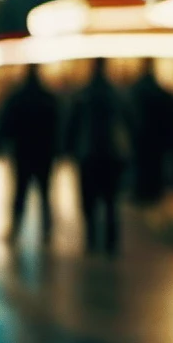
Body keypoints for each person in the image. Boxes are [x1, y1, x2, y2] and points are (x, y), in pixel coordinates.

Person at [65, 58, 131, 254]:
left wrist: (68, 149)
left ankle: (92, 239)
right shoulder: (115, 94)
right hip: (111, 154)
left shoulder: (83, 94)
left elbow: (72, 124)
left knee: (89, 201)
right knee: (111, 201)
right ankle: (111, 242)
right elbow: (129, 122)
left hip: (88, 155)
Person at [0, 63, 59, 245]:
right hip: (44, 153)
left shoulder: (18, 97)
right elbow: (57, 125)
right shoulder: (48, 97)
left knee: (20, 191)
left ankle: (15, 228)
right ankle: (46, 230)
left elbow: (6, 122)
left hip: (22, 152)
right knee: (45, 193)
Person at [129, 59, 173, 204]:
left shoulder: (136, 91)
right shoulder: (159, 91)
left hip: (141, 138)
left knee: (142, 167)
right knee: (155, 168)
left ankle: (143, 192)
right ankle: (153, 193)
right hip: (157, 139)